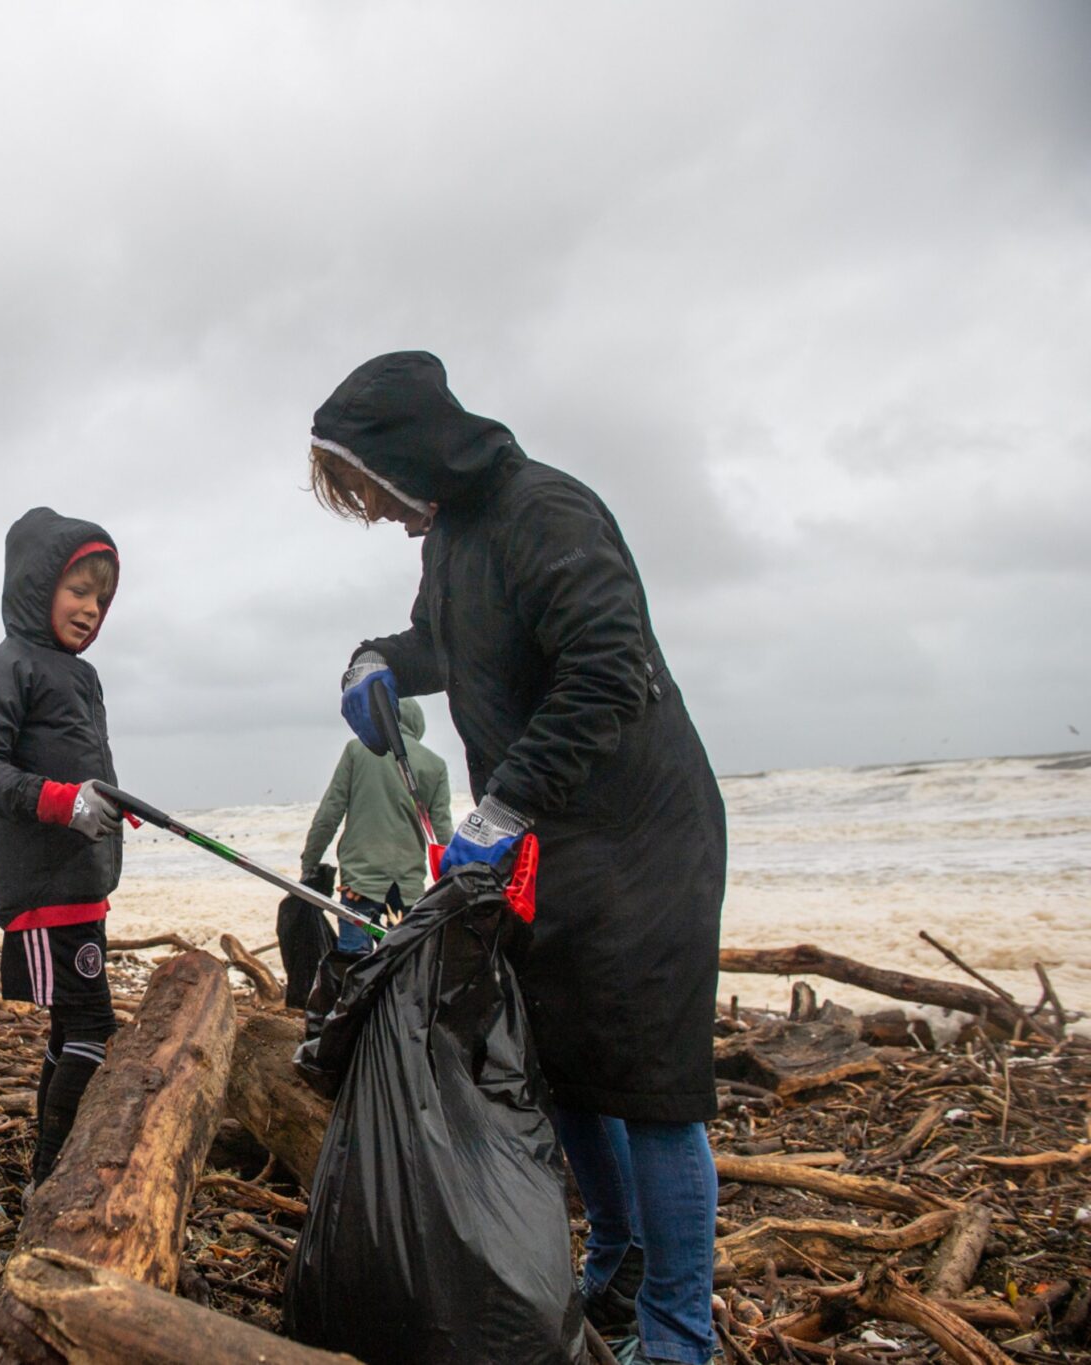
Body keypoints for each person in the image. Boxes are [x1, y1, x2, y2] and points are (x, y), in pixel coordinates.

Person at [311, 352, 726, 1365]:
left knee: (654, 1085)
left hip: (642, 835)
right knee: (570, 1067)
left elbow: (608, 668)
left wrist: (502, 803)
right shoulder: (452, 538)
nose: (377, 515)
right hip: (550, 843)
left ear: (407, 454)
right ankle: (617, 1267)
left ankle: (677, 1333)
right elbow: (439, 642)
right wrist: (373, 661)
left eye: (370, 491)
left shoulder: (546, 512)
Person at [0, 508, 124, 1188]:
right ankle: (51, 1175)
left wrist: (110, 803)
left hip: (84, 882)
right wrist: (63, 801)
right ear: (36, 585)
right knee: (93, 1024)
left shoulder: (79, 675)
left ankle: (45, 1172)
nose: (91, 608)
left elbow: (80, 763)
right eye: (78, 590)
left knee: (69, 1029)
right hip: (43, 888)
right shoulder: (5, 666)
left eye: (103, 598)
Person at [299, 696, 455, 954]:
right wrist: (454, 881)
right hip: (407, 888)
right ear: (418, 724)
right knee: (403, 967)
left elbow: (329, 814)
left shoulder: (357, 750)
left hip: (359, 884)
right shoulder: (435, 766)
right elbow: (443, 834)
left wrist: (309, 864)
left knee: (355, 967)